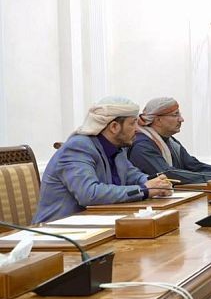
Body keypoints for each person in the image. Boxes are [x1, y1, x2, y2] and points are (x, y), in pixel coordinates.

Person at [33, 96, 173, 224]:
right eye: (132, 123)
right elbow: (89, 194)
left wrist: (156, 183)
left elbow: (132, 175)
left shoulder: (118, 147)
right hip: (59, 230)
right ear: (114, 127)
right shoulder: (78, 147)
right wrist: (145, 189)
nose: (137, 129)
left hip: (97, 224)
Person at [128, 97, 211, 184]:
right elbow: (169, 175)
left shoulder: (170, 141)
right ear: (158, 120)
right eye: (175, 115)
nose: (181, 119)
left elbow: (193, 166)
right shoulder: (142, 145)